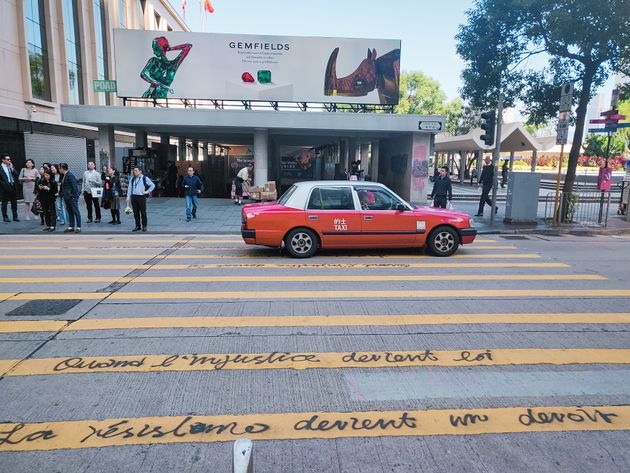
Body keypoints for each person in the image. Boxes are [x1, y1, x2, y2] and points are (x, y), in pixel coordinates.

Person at [126, 166, 155, 232]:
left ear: (140, 171)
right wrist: (128, 196)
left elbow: (152, 185)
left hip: (141, 197)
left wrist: (147, 191)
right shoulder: (132, 179)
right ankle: (137, 225)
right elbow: (129, 188)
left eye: (136, 170)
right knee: (135, 212)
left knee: (143, 212)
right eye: (134, 170)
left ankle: (144, 226)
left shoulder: (144, 178)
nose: (134, 172)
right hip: (134, 197)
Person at [58, 163, 81, 233]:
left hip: (72, 197)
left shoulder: (70, 175)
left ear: (62, 168)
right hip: (67, 197)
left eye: (59, 168)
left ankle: (78, 227)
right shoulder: (64, 175)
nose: (58, 170)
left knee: (76, 212)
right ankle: (71, 226)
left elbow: (74, 186)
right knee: (70, 212)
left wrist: (74, 196)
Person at [0, 154, 20, 222]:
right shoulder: (0, 167)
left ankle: (15, 216)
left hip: (13, 185)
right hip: (5, 187)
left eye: (10, 159)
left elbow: (16, 174)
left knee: (14, 202)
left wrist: (12, 167)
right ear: (3, 160)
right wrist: (3, 184)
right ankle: (5, 217)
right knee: (4, 202)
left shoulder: (10, 166)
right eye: (8, 159)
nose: (9, 161)